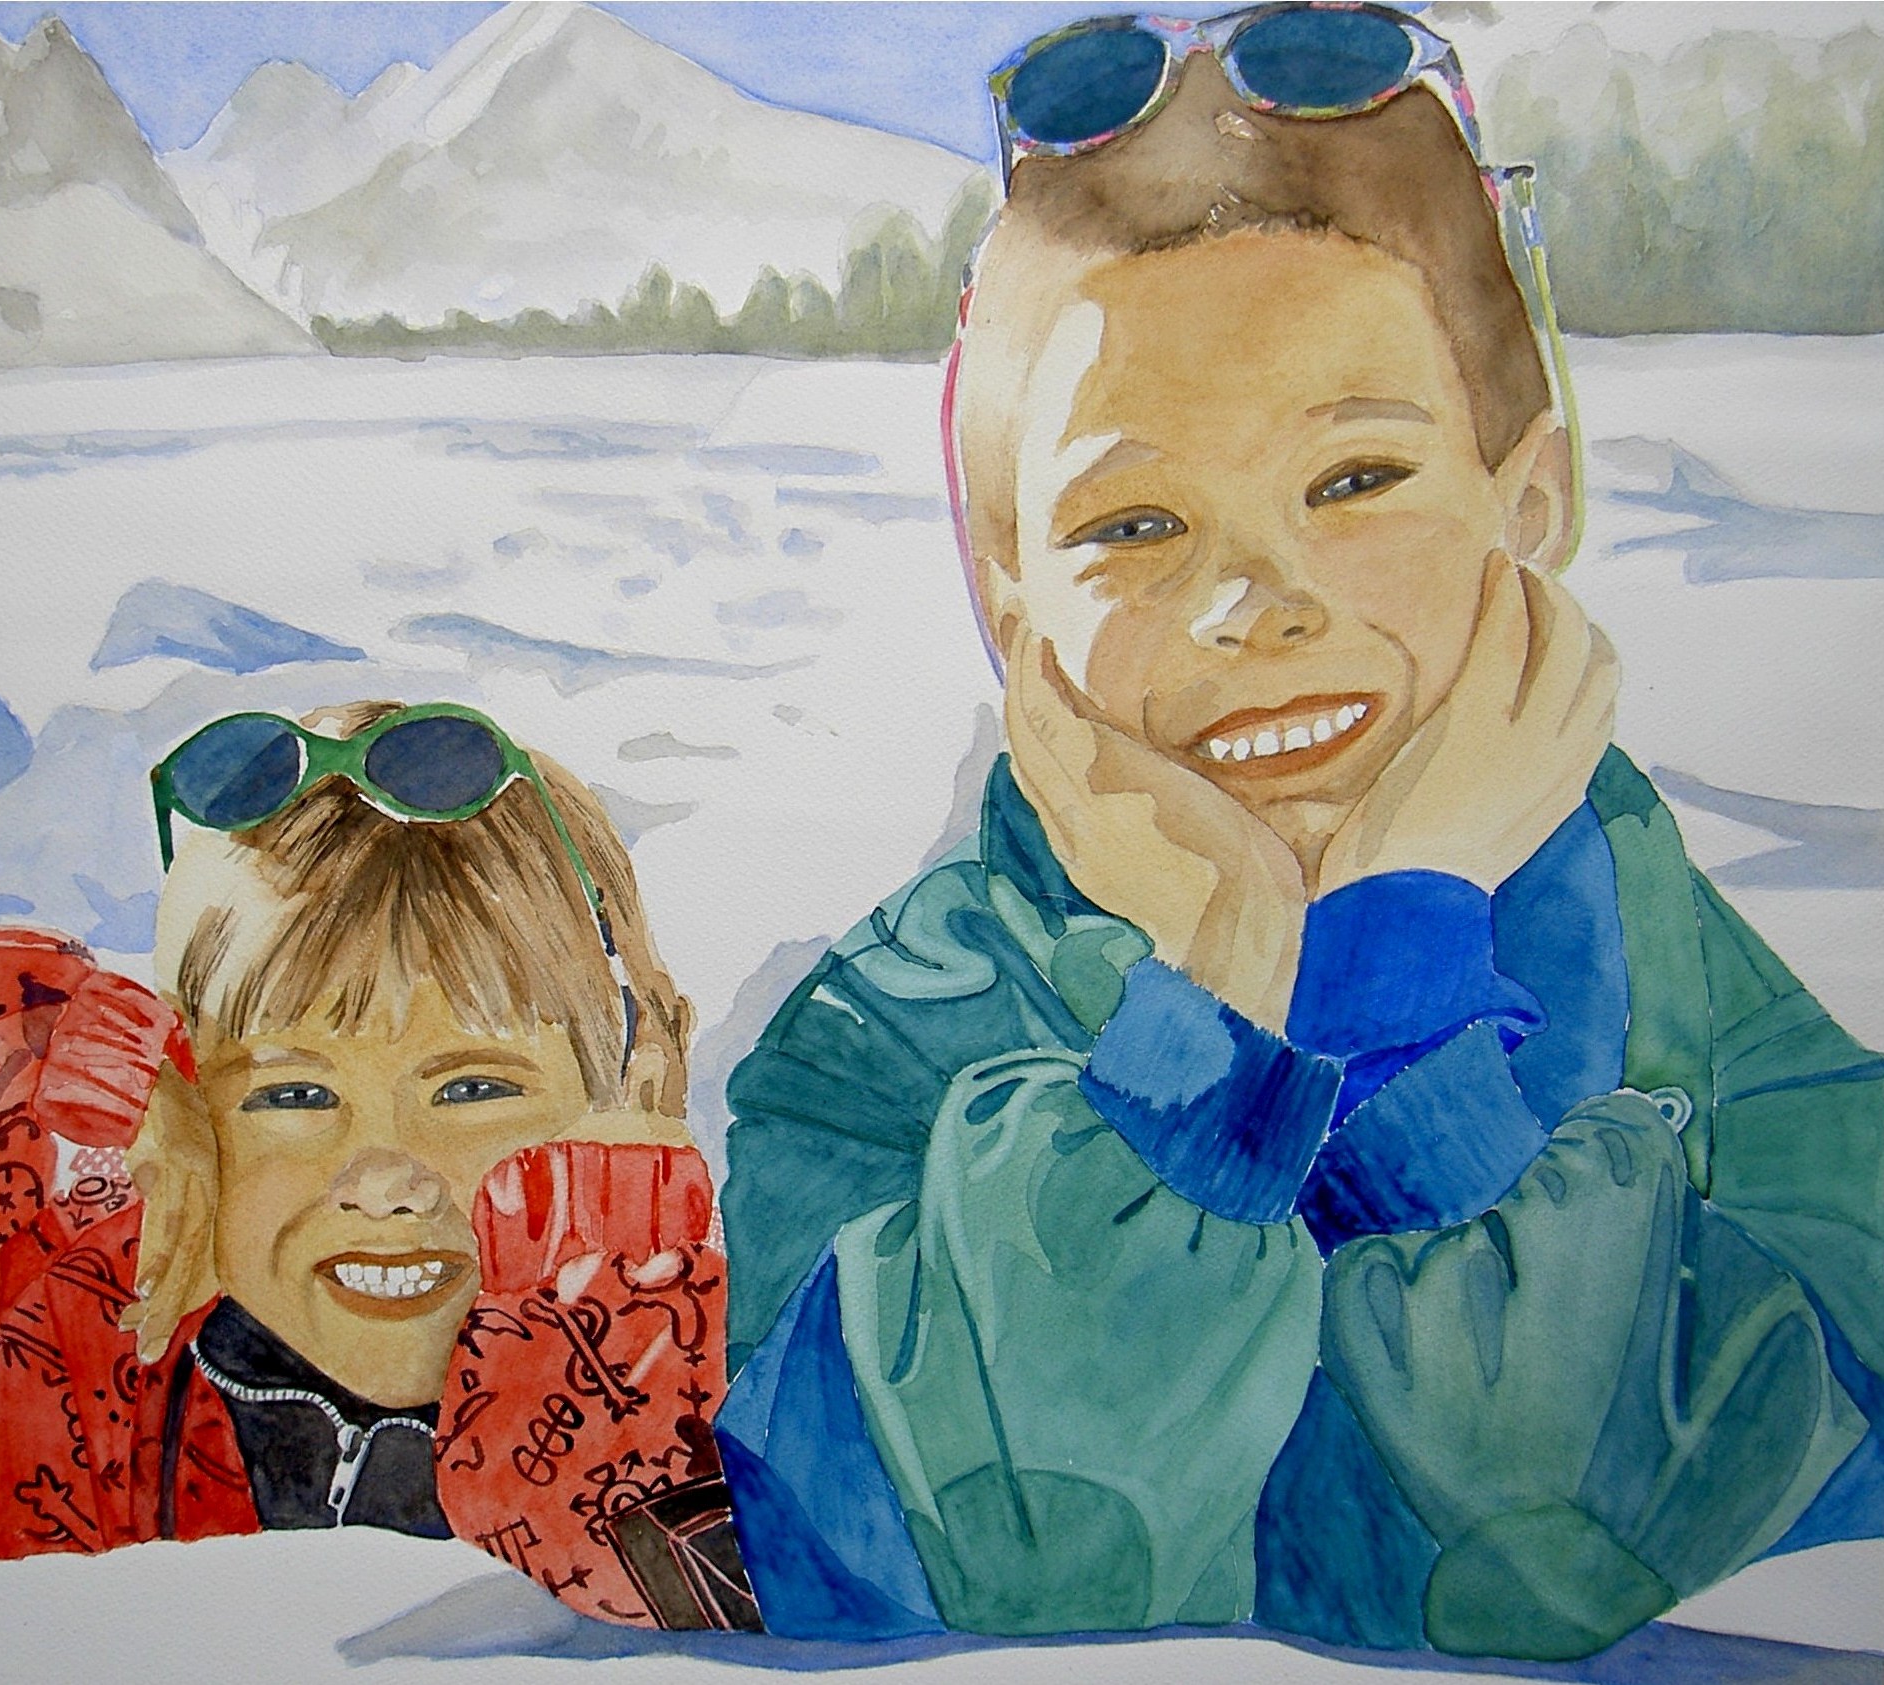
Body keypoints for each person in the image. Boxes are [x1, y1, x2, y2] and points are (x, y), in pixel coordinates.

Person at [714, 5, 1881, 1660]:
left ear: (1526, 505)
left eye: (1353, 481)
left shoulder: (1655, 937)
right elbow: (1000, 1563)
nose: (1256, 604)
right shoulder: (888, 1033)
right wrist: (1204, 1020)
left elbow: (1573, 1558)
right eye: (1135, 523)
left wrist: (1397, 958)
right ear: (1009, 604)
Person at [0, 700, 758, 1630]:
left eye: (471, 1088)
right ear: (191, 1101)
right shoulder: (90, 1333)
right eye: (292, 1094)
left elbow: (666, 1602)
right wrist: (82, 1060)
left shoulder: (713, 1365)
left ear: (637, 1073)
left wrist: (610, 1258)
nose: (381, 1175)